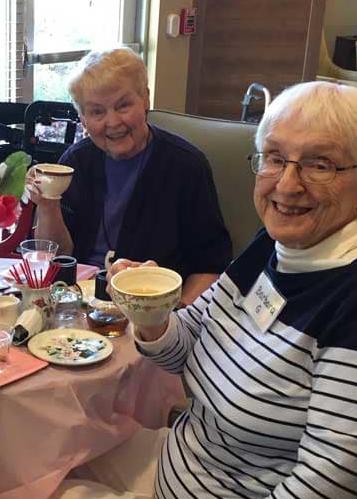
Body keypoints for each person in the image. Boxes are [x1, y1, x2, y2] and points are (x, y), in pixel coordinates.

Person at [33, 81, 357, 499]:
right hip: (188, 470)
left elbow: (328, 482)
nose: (287, 185)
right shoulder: (279, 243)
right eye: (274, 159)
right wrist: (151, 315)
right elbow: (188, 343)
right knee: (34, 459)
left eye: (320, 165)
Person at [27, 47, 232, 305]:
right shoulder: (76, 162)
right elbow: (57, 257)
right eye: (97, 112)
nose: (112, 122)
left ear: (145, 99)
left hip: (154, 310)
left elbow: (211, 267)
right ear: (83, 119)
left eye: (123, 105)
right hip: (77, 306)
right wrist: (48, 206)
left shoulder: (187, 166)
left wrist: (174, 322)